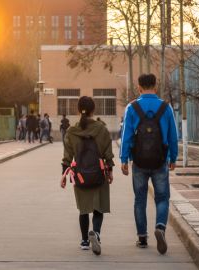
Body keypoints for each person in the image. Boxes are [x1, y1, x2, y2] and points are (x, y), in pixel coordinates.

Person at [120, 73, 178, 255]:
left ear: (139, 87)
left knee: (140, 199)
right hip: (160, 161)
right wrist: (173, 158)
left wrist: (124, 159)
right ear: (156, 85)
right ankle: (160, 227)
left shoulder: (132, 107)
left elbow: (127, 136)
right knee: (162, 198)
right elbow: (173, 136)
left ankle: (142, 238)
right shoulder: (166, 108)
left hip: (139, 162)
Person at [61, 96, 114, 256]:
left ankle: (84, 241)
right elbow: (108, 153)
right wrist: (110, 170)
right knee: (99, 207)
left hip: (80, 175)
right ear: (93, 110)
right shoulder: (101, 129)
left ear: (78, 110)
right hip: (99, 173)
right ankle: (96, 233)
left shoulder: (71, 131)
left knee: (83, 208)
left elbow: (67, 156)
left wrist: (63, 175)